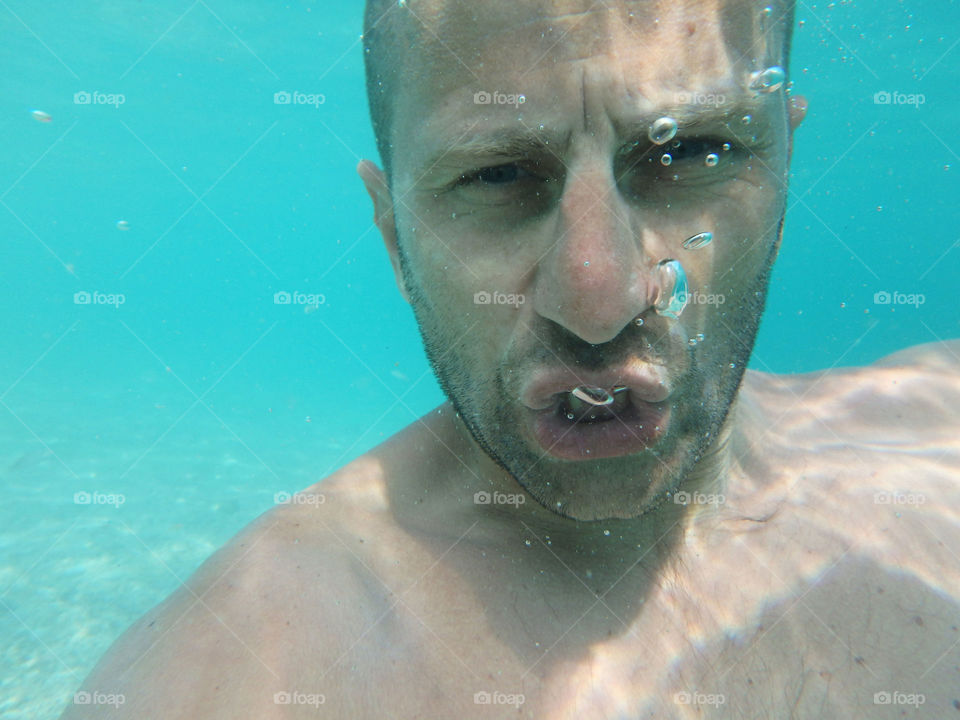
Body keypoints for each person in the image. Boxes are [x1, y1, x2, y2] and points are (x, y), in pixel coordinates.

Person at [62, 0, 960, 717]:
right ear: (392, 235)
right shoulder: (235, 678)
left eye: (690, 152)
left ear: (784, 164)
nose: (598, 302)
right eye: (497, 176)